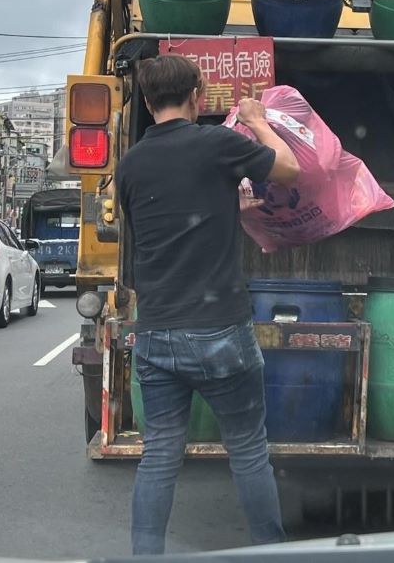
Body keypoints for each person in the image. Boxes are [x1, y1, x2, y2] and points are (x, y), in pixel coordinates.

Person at [116, 54, 301, 555]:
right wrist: (259, 121)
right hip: (220, 331)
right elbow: (289, 168)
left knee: (159, 457)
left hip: (156, 332)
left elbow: (160, 227)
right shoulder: (217, 142)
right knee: (247, 452)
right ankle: (269, 551)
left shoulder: (130, 163)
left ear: (149, 102)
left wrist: (225, 206)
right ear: (198, 96)